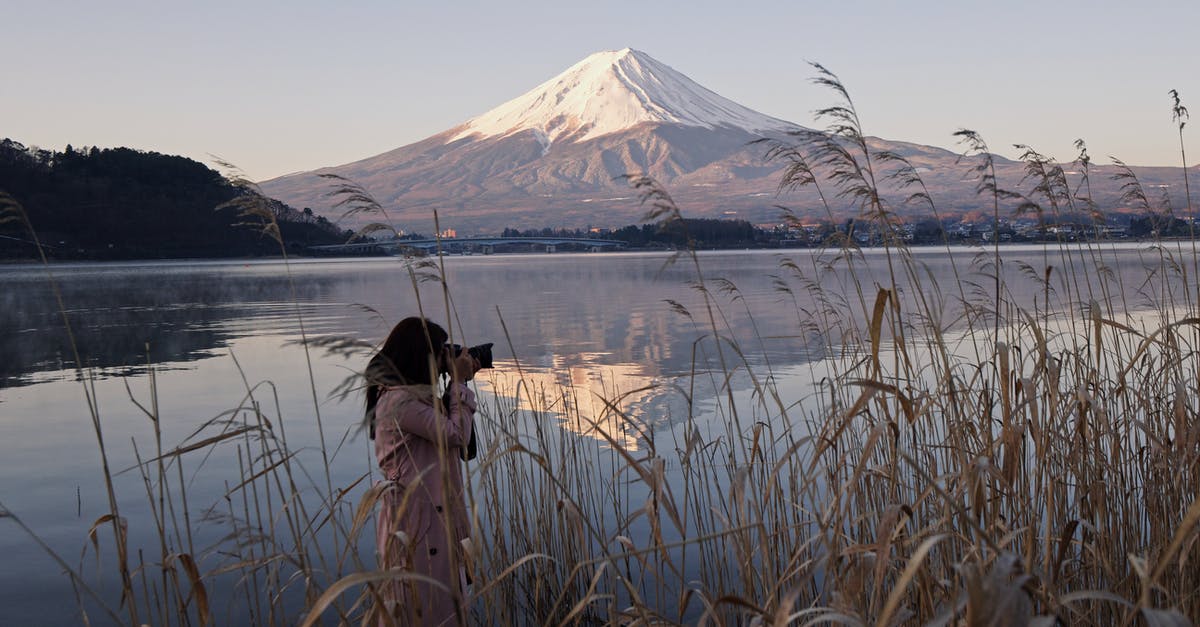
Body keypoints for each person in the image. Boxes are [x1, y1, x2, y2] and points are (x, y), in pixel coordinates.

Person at [365, 317, 481, 625]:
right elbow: (456, 435)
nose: (447, 358)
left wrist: (457, 387)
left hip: (432, 520)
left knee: (441, 607)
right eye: (442, 351)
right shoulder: (399, 402)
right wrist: (458, 385)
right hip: (417, 527)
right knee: (424, 609)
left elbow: (460, 445)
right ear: (423, 357)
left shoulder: (414, 398)